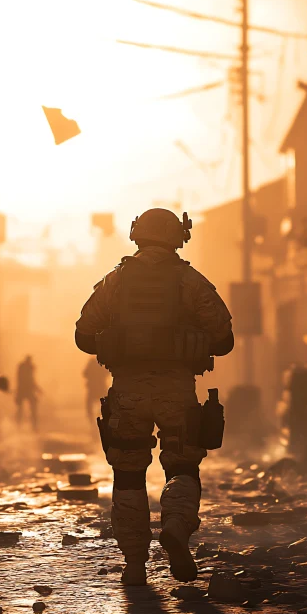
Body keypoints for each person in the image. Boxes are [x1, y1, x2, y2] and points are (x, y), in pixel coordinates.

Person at [75, 208, 233, 586]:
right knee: (182, 466)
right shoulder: (190, 280)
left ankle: (134, 563)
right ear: (178, 237)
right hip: (176, 391)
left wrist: (121, 340)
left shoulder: (115, 280)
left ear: (137, 234)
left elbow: (83, 336)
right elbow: (224, 338)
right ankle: (176, 526)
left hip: (127, 392)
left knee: (128, 474)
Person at [15, 355, 41, 432]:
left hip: (24, 390)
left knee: (23, 409)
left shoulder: (23, 368)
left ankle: (23, 426)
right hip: (24, 390)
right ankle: (31, 426)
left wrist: (37, 388)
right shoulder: (26, 368)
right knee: (27, 409)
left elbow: (31, 380)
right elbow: (30, 380)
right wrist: (37, 388)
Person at [83, 357, 110, 426]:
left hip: (96, 388)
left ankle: (93, 420)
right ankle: (95, 419)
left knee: (89, 405)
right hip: (98, 388)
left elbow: (85, 374)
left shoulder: (93, 364)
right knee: (106, 402)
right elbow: (107, 373)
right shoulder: (99, 364)